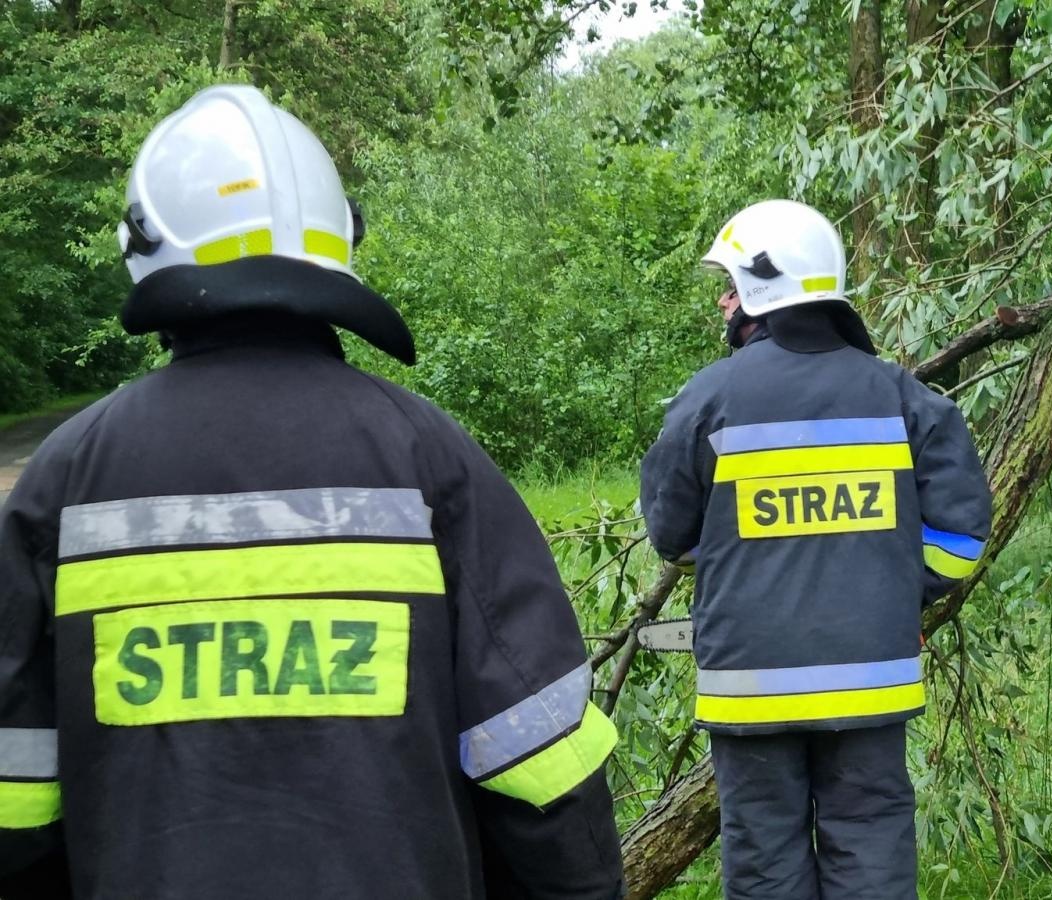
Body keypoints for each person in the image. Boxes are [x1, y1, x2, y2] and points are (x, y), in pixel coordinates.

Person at [0, 84, 624, 899]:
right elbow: (544, 773)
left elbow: (15, 806)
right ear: (340, 240)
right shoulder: (428, 455)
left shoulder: (65, 477)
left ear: (144, 242)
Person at [639, 199, 993, 899]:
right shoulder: (902, 397)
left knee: (766, 864)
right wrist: (891, 589)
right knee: (872, 851)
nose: (722, 300)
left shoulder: (707, 398)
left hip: (749, 692)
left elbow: (672, 538)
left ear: (765, 292)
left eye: (733, 286)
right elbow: (959, 543)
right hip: (871, 681)